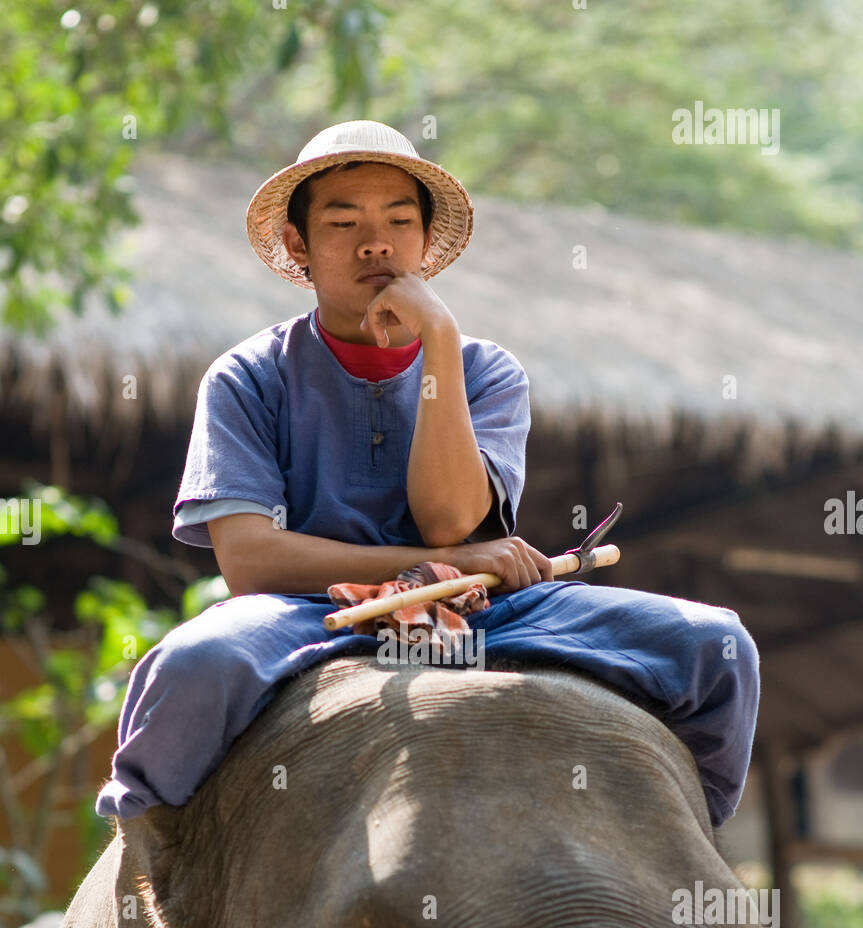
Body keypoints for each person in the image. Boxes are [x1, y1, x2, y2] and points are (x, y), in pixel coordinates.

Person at [95, 120, 759, 829]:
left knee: (714, 646)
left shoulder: (484, 370)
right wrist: (442, 561)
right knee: (192, 665)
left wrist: (437, 340)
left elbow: (449, 519)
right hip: (307, 613)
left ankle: (682, 846)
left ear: (423, 244)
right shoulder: (248, 377)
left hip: (484, 611)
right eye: (343, 220)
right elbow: (253, 563)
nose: (374, 242)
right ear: (299, 245)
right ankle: (146, 856)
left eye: (398, 221)